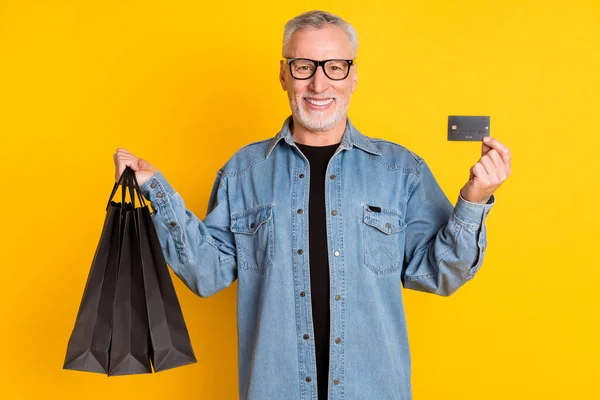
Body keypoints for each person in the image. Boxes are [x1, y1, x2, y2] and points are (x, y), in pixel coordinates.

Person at [113, 10, 511, 400]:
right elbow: (207, 273)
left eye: (334, 67)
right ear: (284, 74)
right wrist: (155, 190)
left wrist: (474, 199)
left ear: (353, 76)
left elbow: (439, 274)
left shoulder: (400, 171)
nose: (319, 84)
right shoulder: (243, 172)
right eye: (304, 66)